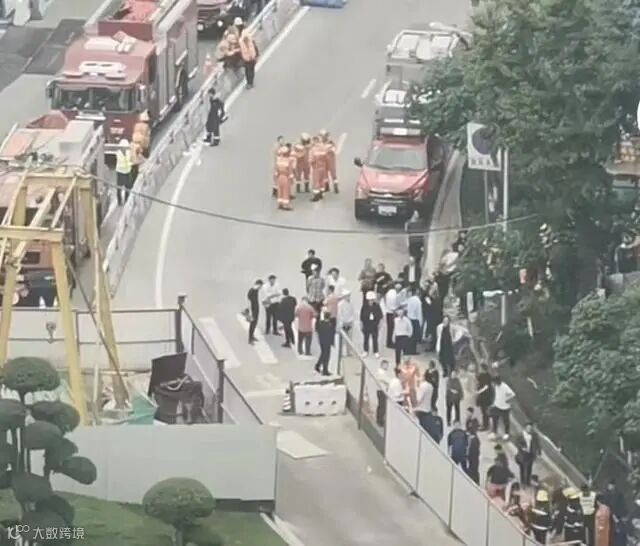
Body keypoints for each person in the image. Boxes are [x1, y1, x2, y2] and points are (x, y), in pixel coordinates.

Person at [515, 422, 541, 486]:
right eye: (528, 428)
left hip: (531, 454)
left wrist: (539, 452)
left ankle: (527, 482)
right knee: (522, 468)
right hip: (522, 454)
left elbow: (538, 444)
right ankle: (523, 482)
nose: (529, 429)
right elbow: (516, 443)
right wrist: (522, 448)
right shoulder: (520, 435)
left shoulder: (534, 435)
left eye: (530, 428)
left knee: (529, 468)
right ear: (525, 428)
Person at [490, 376, 515, 440]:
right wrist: (494, 403)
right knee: (494, 419)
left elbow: (512, 394)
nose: (494, 384)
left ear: (498, 381)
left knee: (505, 421)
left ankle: (506, 433)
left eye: (495, 382)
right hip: (497, 405)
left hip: (505, 407)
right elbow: (497, 395)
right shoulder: (496, 386)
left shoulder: (505, 387)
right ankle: (494, 432)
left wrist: (508, 400)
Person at [361, 291, 383, 357]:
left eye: (372, 300)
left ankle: (375, 351)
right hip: (366, 325)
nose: (370, 301)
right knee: (366, 338)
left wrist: (379, 325)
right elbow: (361, 316)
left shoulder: (377, 306)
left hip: (374, 325)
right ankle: (365, 350)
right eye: (369, 300)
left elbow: (380, 316)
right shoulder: (364, 306)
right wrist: (361, 325)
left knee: (375, 339)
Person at [274, 146, 294, 211]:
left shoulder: (278, 160)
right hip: (285, 177)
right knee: (286, 191)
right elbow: (290, 171)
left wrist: (275, 179)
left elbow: (276, 171)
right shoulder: (289, 161)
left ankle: (280, 204)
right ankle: (286, 205)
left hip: (279, 177)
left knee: (280, 190)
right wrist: (291, 179)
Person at [309, 135, 329, 201]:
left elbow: (311, 160)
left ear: (315, 141)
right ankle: (322, 194)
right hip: (323, 167)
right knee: (322, 181)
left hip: (316, 168)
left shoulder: (313, 149)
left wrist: (312, 166)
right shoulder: (323, 148)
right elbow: (327, 158)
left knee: (316, 182)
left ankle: (316, 196)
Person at [475, 362, 494, 431]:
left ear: (483, 369)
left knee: (485, 411)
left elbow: (486, 386)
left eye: (480, 368)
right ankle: (485, 424)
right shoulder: (482, 375)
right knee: (483, 411)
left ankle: (486, 425)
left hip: (485, 396)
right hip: (483, 396)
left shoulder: (486, 376)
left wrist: (479, 392)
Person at [375, 360, 393, 426]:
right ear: (382, 365)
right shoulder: (382, 373)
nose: (387, 367)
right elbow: (388, 381)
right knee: (382, 406)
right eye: (386, 365)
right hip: (382, 391)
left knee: (380, 406)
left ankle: (378, 419)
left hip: (380, 390)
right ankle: (380, 421)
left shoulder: (380, 372)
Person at [405, 287, 423, 355]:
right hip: (415, 320)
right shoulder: (418, 301)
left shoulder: (410, 299)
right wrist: (420, 322)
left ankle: (407, 349)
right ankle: (413, 350)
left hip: (409, 318)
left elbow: (407, 308)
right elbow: (419, 312)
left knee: (409, 335)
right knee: (414, 336)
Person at [115, 139, 132, 206]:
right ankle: (119, 201)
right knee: (119, 188)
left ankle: (126, 200)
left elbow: (130, 160)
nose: (124, 149)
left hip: (127, 171)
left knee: (128, 187)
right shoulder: (119, 153)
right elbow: (126, 161)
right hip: (120, 172)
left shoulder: (128, 152)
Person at [384, 282, 401, 349]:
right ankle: (390, 343)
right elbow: (396, 304)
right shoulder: (396, 295)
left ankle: (388, 342)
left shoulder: (388, 293)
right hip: (393, 312)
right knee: (393, 328)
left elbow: (385, 301)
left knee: (389, 329)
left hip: (388, 312)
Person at [246, 279, 263, 344]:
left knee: (255, 323)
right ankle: (250, 339)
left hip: (256, 309)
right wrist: (250, 311)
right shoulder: (252, 291)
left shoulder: (256, 290)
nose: (261, 287)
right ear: (258, 284)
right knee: (252, 324)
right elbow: (249, 301)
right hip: (253, 310)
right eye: (260, 286)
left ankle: (252, 336)